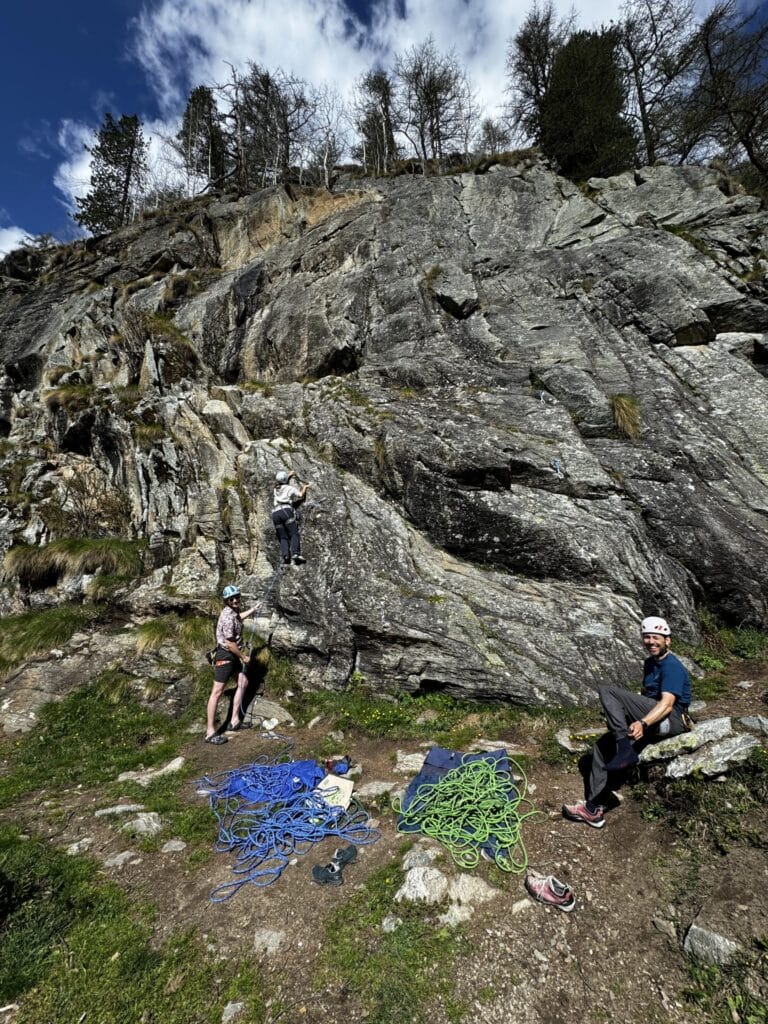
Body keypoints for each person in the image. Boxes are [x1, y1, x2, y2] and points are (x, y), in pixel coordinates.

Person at [562, 616, 692, 828]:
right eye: (647, 637)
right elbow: (647, 697)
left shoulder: (672, 666)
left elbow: (667, 704)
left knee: (607, 690)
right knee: (602, 747)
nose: (650, 641)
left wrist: (642, 723)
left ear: (667, 640)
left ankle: (624, 749)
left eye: (656, 637)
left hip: (673, 721)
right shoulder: (650, 664)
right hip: (654, 717)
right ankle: (594, 808)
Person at [205, 584, 262, 744]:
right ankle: (210, 732)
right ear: (227, 600)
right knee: (217, 692)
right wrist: (244, 657)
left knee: (243, 682)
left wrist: (253, 610)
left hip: (232, 655)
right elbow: (230, 644)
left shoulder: (233, 612)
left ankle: (234, 721)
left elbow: (238, 618)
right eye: (232, 598)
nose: (235, 600)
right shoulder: (228, 617)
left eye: (237, 597)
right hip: (226, 655)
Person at [272, 469, 309, 566]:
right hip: (286, 511)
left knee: (283, 537)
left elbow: (282, 481)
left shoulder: (276, 488)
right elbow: (300, 495)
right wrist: (305, 487)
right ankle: (295, 554)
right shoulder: (289, 488)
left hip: (275, 514)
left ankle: (285, 555)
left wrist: (288, 475)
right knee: (294, 534)